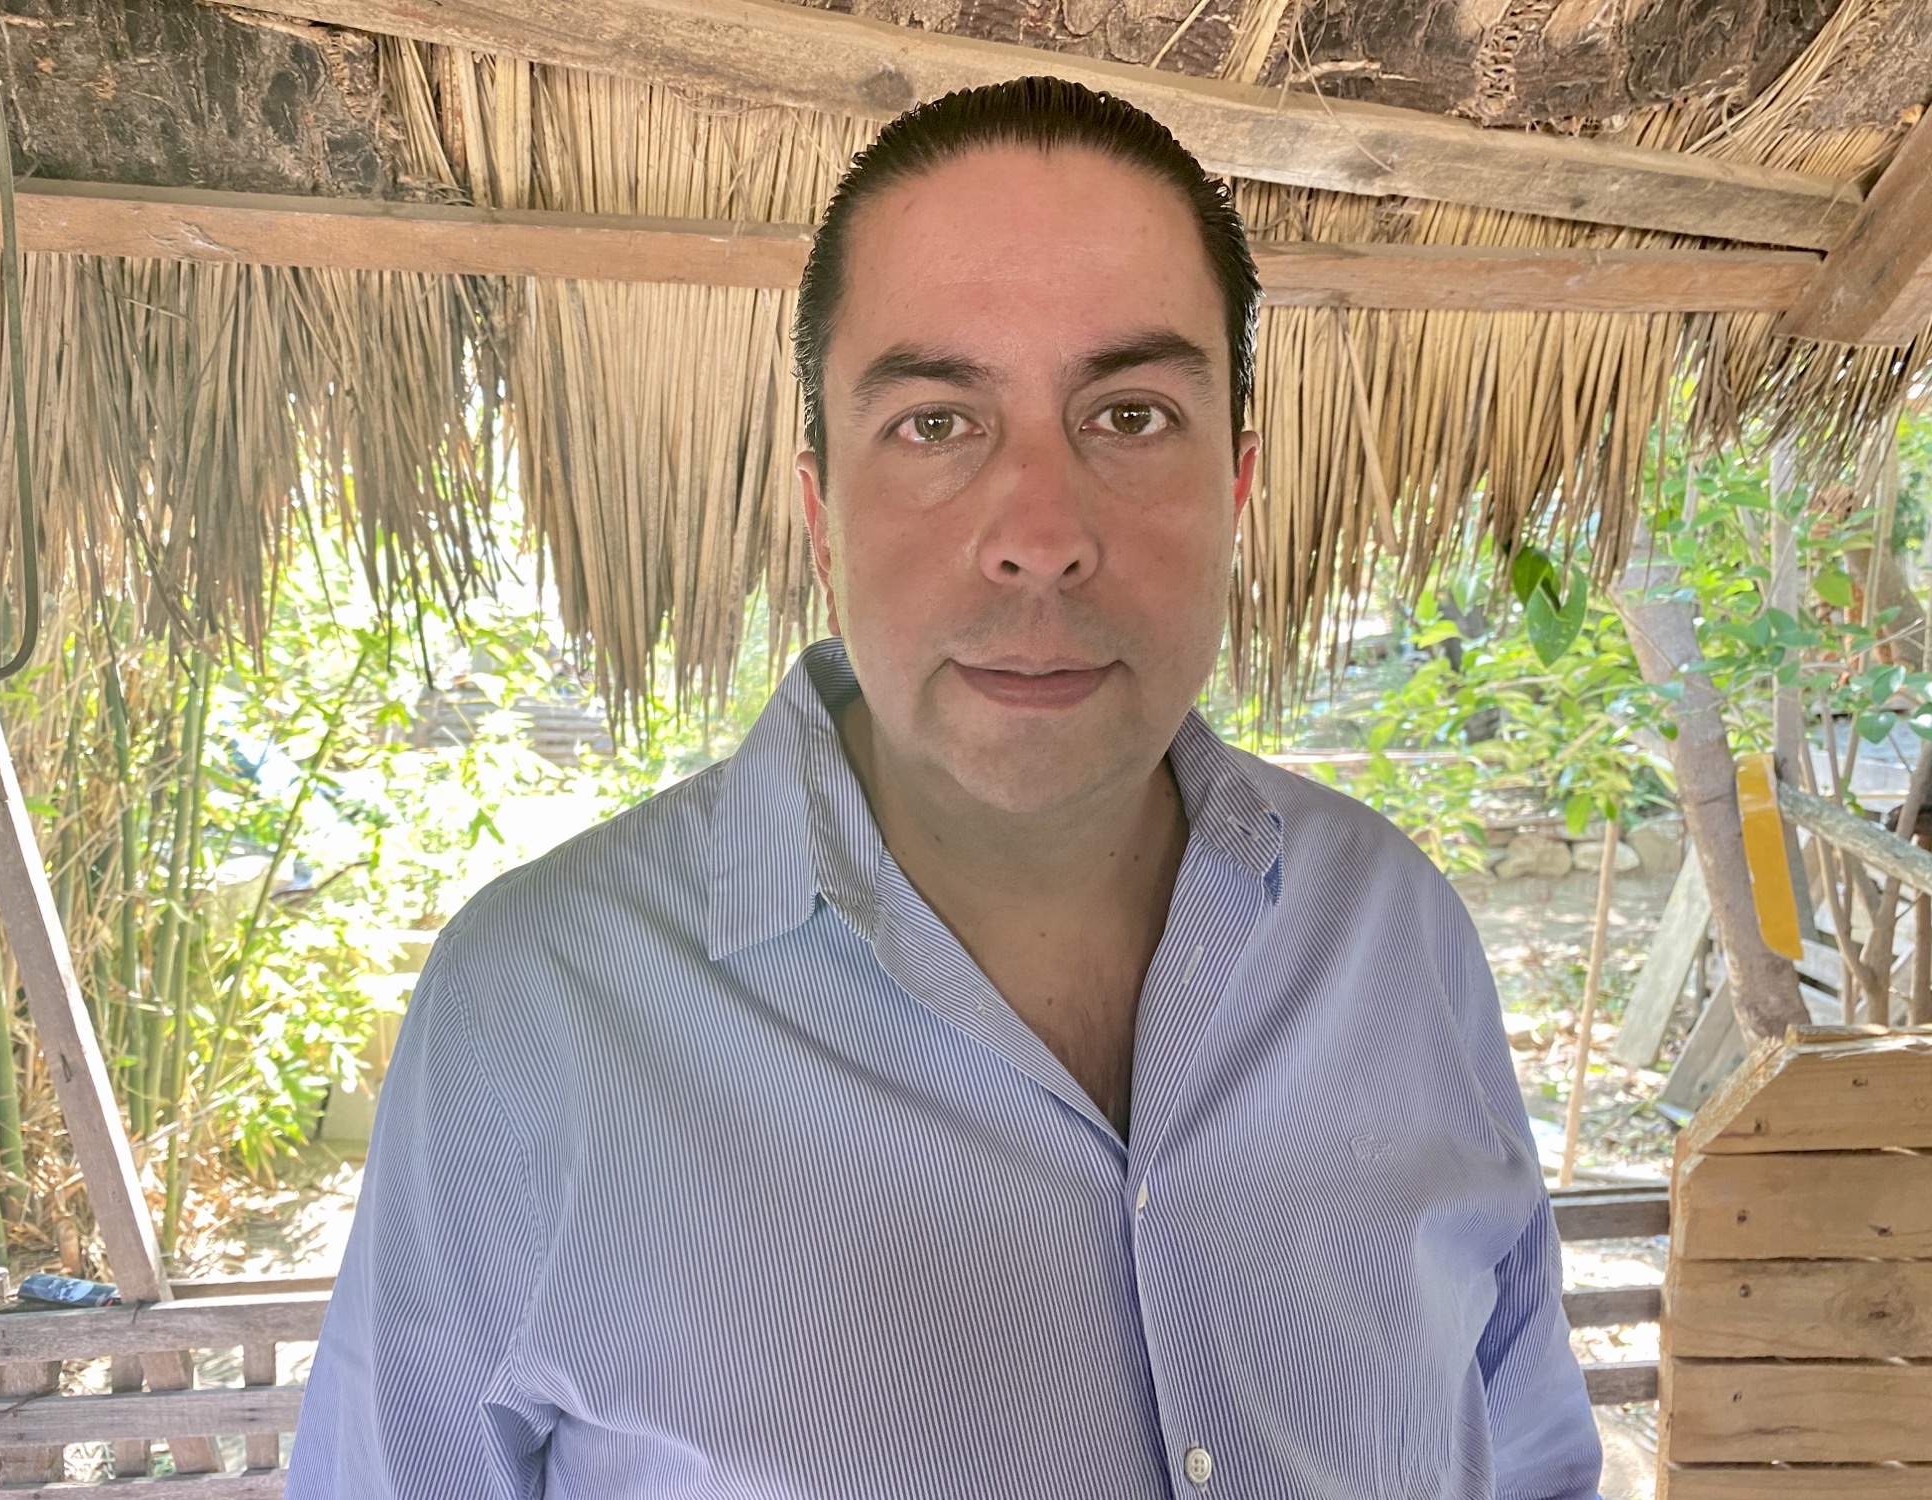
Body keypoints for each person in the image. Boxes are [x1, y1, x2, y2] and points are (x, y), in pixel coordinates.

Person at [287, 76, 1603, 1499]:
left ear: (1235, 488)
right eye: (934, 422)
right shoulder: (534, 1009)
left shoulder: (1393, 934)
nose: (1040, 532)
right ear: (821, 513)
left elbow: (1528, 1456)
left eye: (1132, 414)